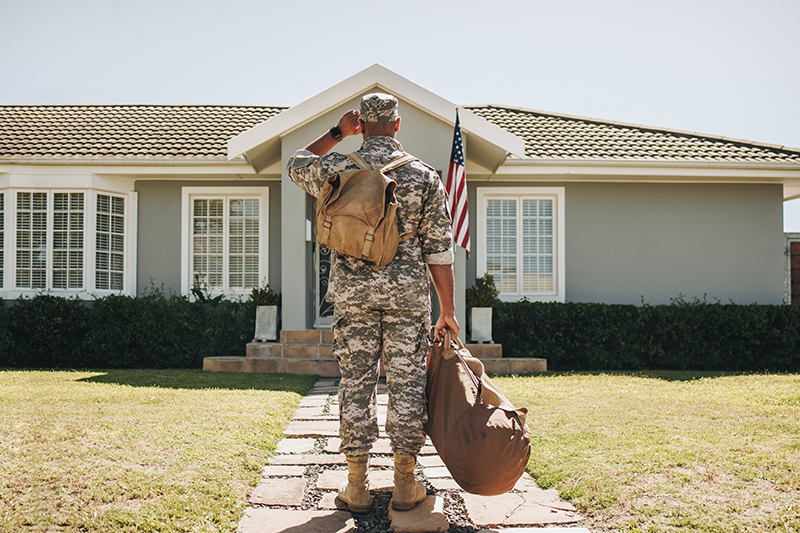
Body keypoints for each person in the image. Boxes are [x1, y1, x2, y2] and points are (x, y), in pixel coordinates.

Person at [287, 93, 459, 513]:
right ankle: (404, 483)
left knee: (356, 384)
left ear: (360, 124)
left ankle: (357, 485)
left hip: (353, 298)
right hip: (407, 301)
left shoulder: (337, 167)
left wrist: (335, 134)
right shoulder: (423, 176)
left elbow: (294, 162)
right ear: (398, 125)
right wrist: (448, 312)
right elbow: (439, 251)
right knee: (407, 385)